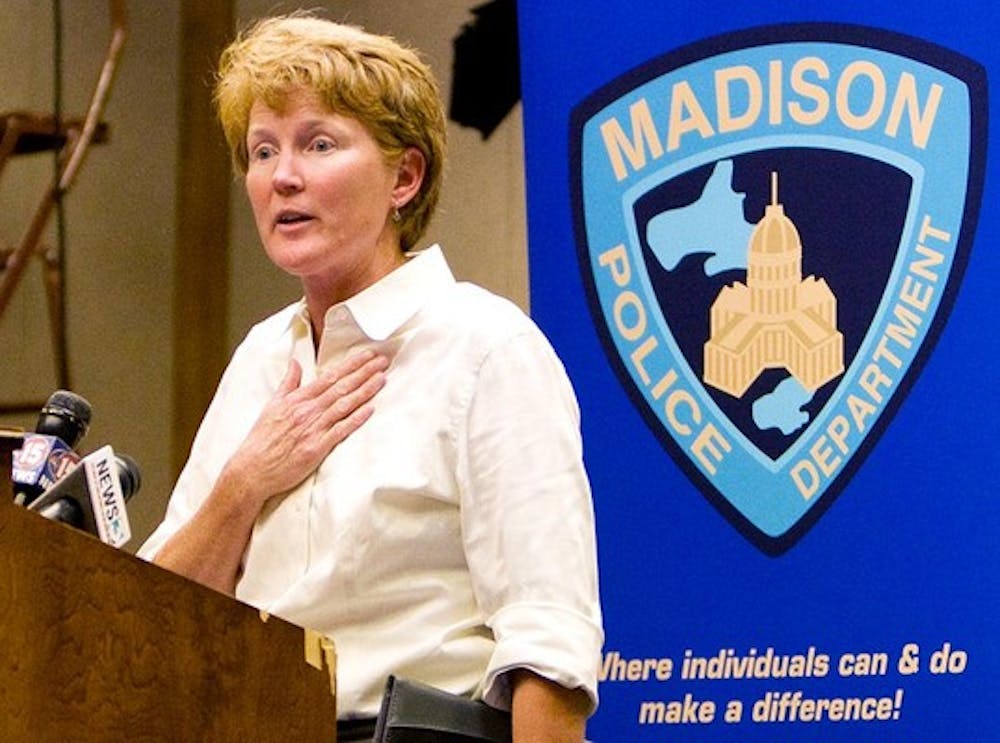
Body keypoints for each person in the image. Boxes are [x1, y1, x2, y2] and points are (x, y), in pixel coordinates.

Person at [138, 12, 602, 742]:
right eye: (263, 150)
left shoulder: (488, 347)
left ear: (404, 177)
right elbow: (152, 618)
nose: (283, 176)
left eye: (318, 144)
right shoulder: (260, 358)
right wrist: (245, 484)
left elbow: (549, 643)